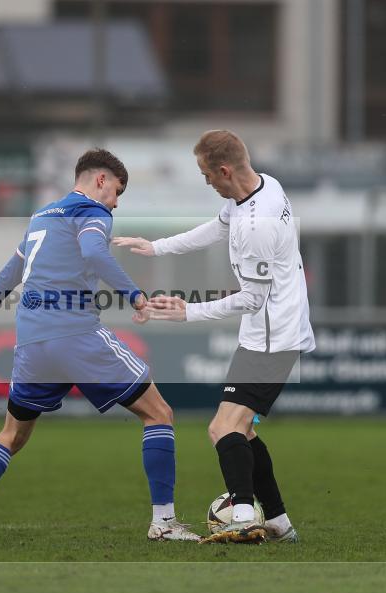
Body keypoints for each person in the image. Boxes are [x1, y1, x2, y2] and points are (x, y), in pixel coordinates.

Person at [0, 149, 200, 542]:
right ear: (101, 180)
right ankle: (163, 524)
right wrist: (136, 297)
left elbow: (11, 272)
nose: (117, 202)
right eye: (117, 191)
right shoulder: (93, 212)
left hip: (32, 343)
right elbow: (94, 252)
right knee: (159, 414)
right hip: (75, 335)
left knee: (11, 436)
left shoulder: (42, 217)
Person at [114, 130, 314, 544]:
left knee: (224, 429)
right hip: (268, 332)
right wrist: (157, 248)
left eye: (207, 174)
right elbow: (216, 228)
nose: (206, 182)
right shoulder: (263, 188)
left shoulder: (257, 225)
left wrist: (187, 312)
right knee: (243, 431)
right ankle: (278, 523)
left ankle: (243, 515)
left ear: (224, 171)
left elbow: (252, 298)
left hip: (273, 337)